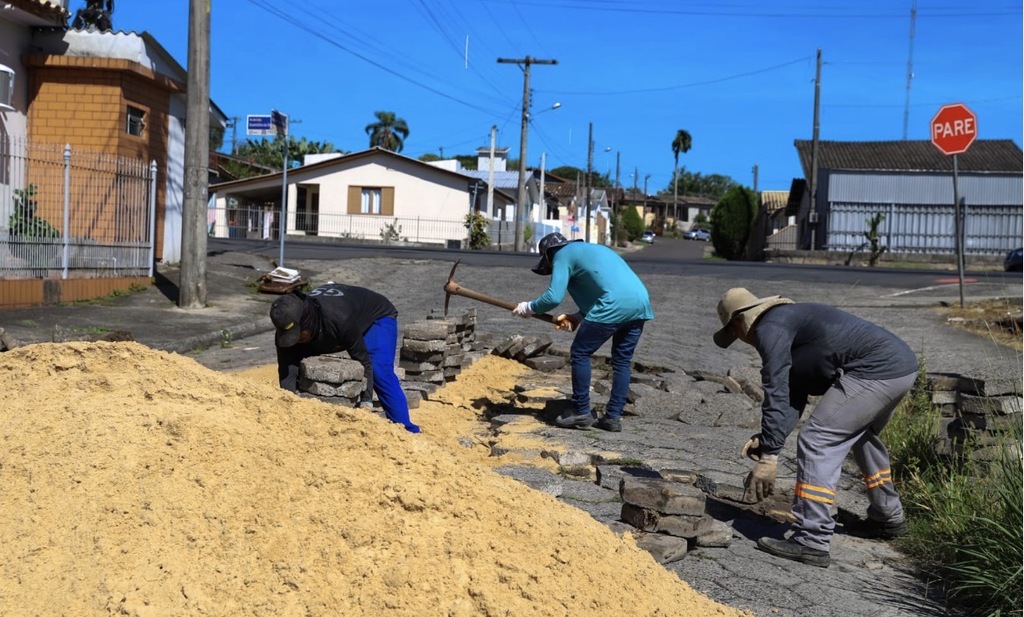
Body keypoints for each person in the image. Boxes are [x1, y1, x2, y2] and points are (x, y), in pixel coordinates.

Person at [713, 287, 918, 568]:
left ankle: (812, 540)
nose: (741, 340)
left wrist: (771, 457)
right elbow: (794, 393)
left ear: (739, 322)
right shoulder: (788, 322)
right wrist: (771, 438)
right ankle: (888, 517)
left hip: (876, 370)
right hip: (900, 366)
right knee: (858, 435)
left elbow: (776, 386)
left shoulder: (769, 329)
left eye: (735, 334)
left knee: (817, 439)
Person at [512, 232, 654, 432]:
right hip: (640, 303)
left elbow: (553, 297)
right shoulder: (594, 250)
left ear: (548, 255)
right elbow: (601, 286)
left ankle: (581, 411)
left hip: (614, 304)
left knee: (580, 352)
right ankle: (613, 418)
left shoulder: (561, 255)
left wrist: (529, 308)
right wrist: (577, 317)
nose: (552, 269)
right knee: (622, 361)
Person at [271, 283, 420, 434]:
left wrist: (367, 400)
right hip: (338, 317)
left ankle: (407, 430)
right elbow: (287, 372)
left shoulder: (339, 319)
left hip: (376, 317)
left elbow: (364, 361)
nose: (294, 340)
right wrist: (290, 410)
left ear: (307, 323)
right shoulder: (288, 327)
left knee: (379, 370)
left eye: (298, 336)